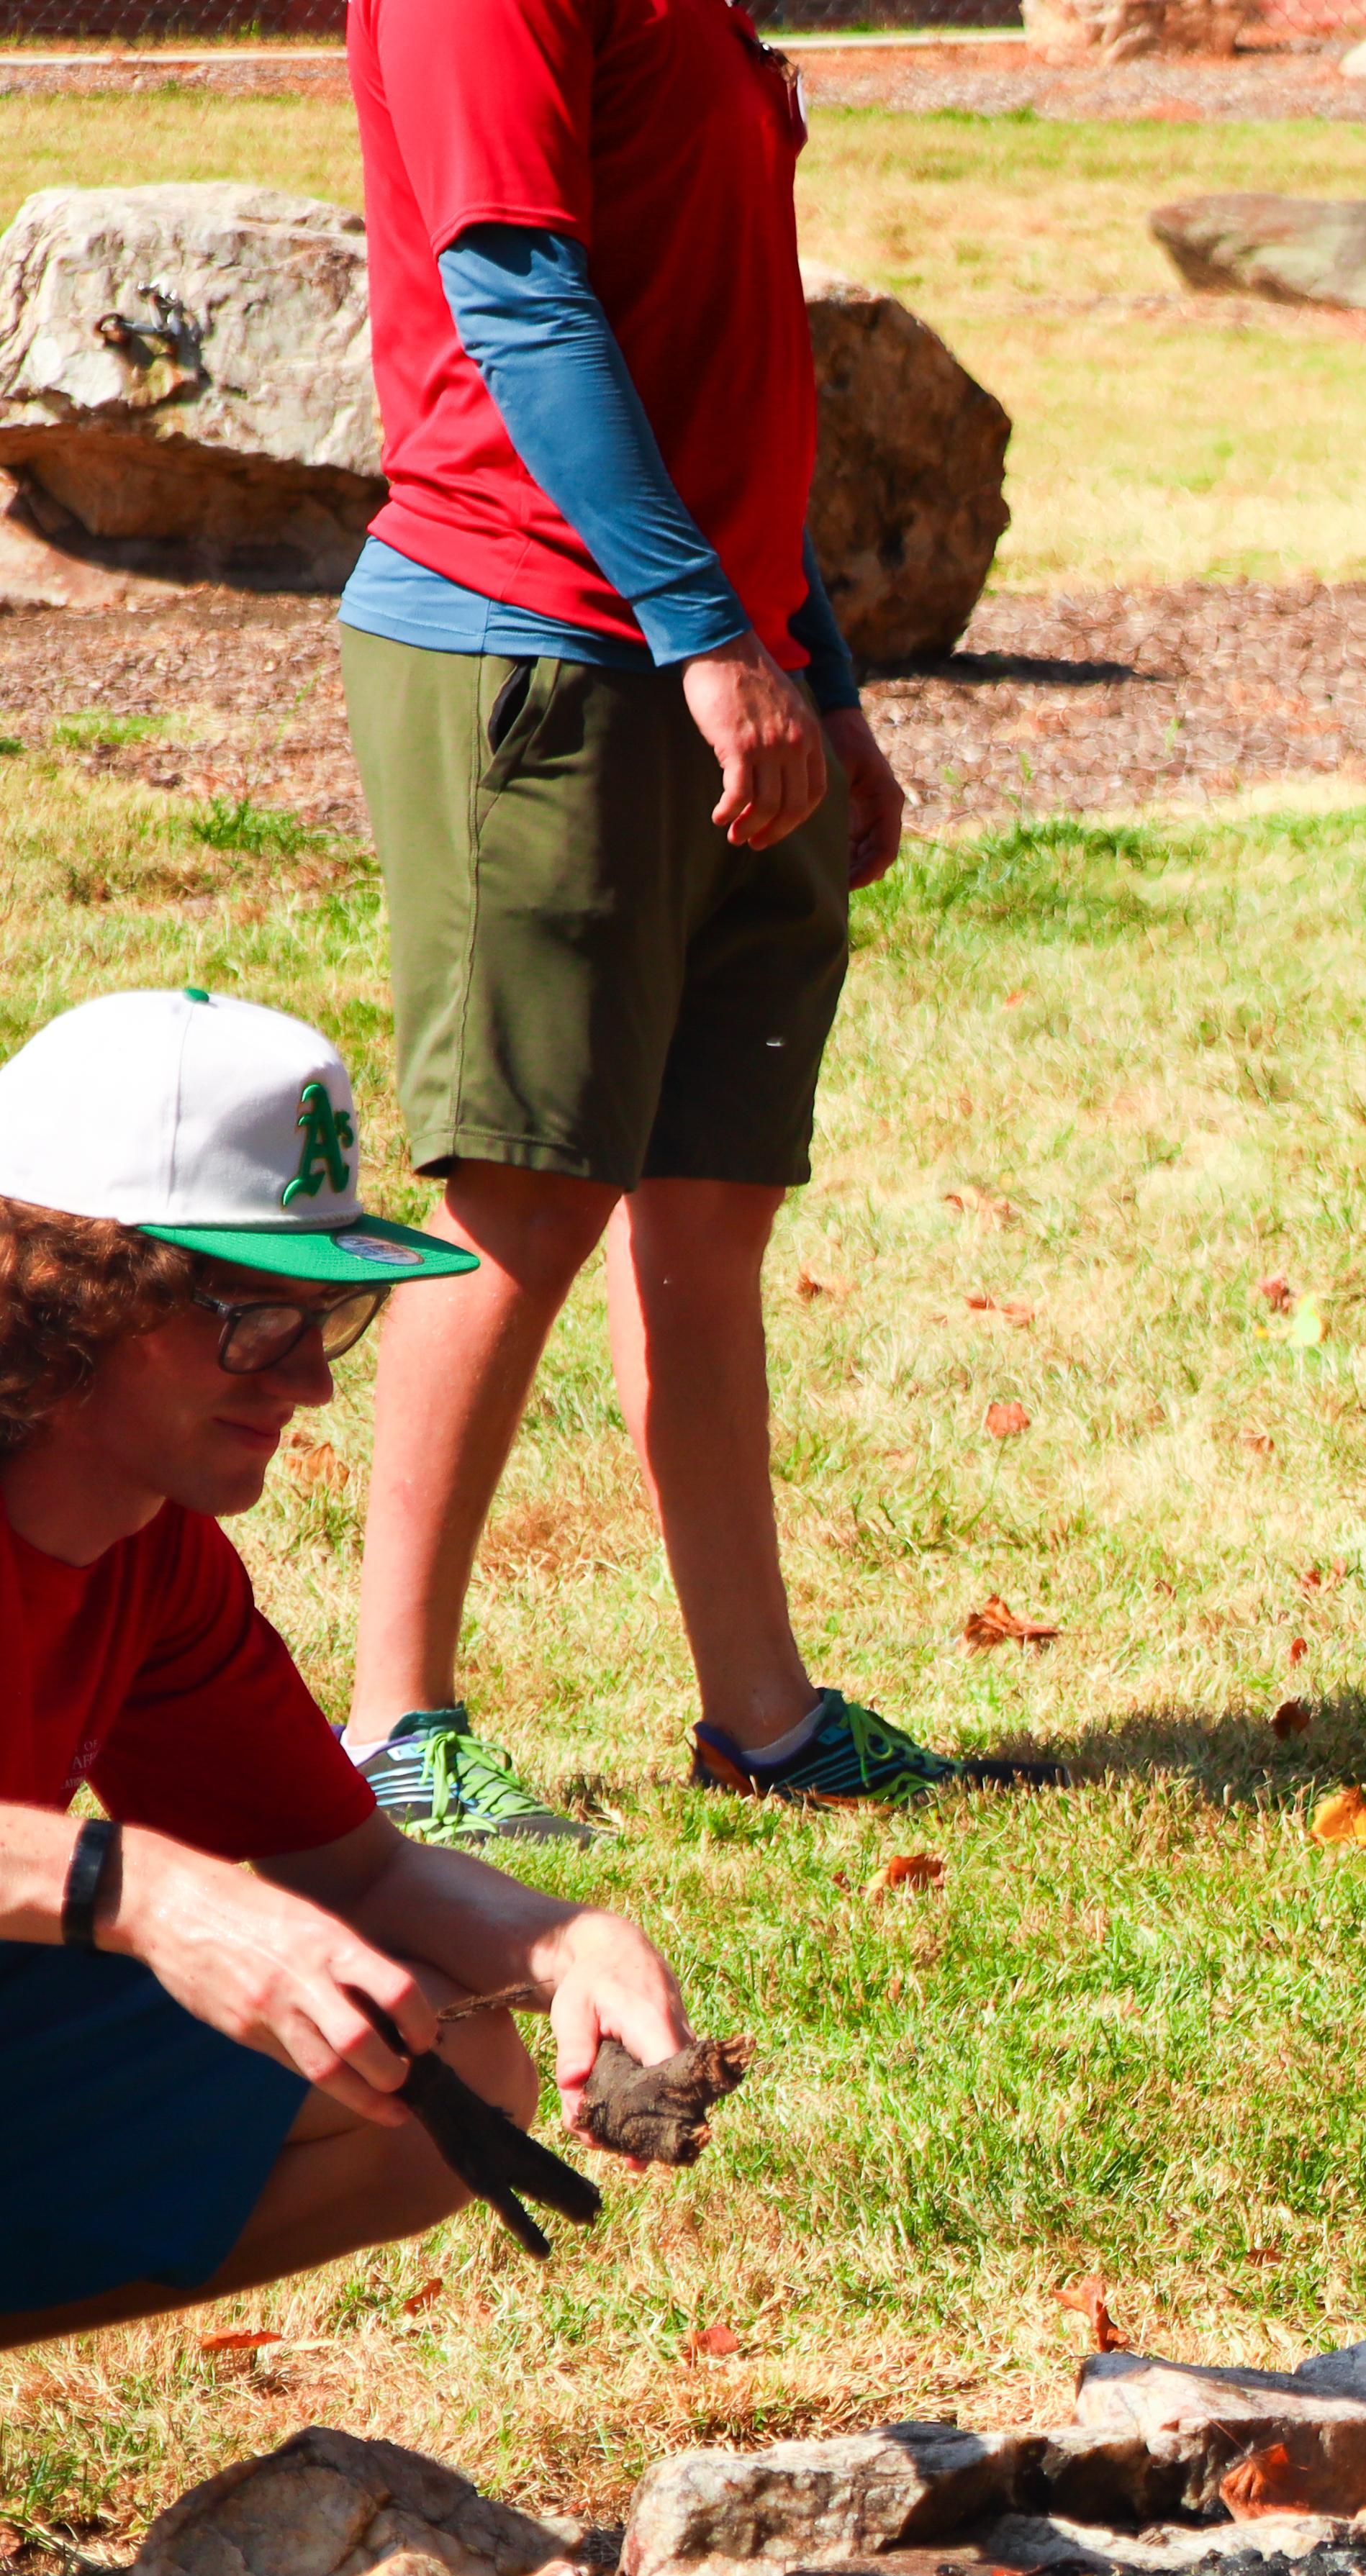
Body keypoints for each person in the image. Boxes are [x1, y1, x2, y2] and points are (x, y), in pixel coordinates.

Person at [340, 0, 1026, 1828]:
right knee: (522, 1186)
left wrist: (826, 678)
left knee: (706, 1201)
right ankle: (397, 1731)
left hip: (729, 661)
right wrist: (707, 636)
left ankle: (766, 1719)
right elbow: (519, 289)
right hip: (542, 646)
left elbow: (731, 365)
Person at [1, 993, 695, 2351]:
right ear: (75, 1292)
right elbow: (160, 1894)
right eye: (260, 1319)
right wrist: (145, 1893)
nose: (310, 1384)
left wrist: (569, 1944)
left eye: (331, 1320)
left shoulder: (154, 1551)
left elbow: (356, 1873)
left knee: (444, 2070)